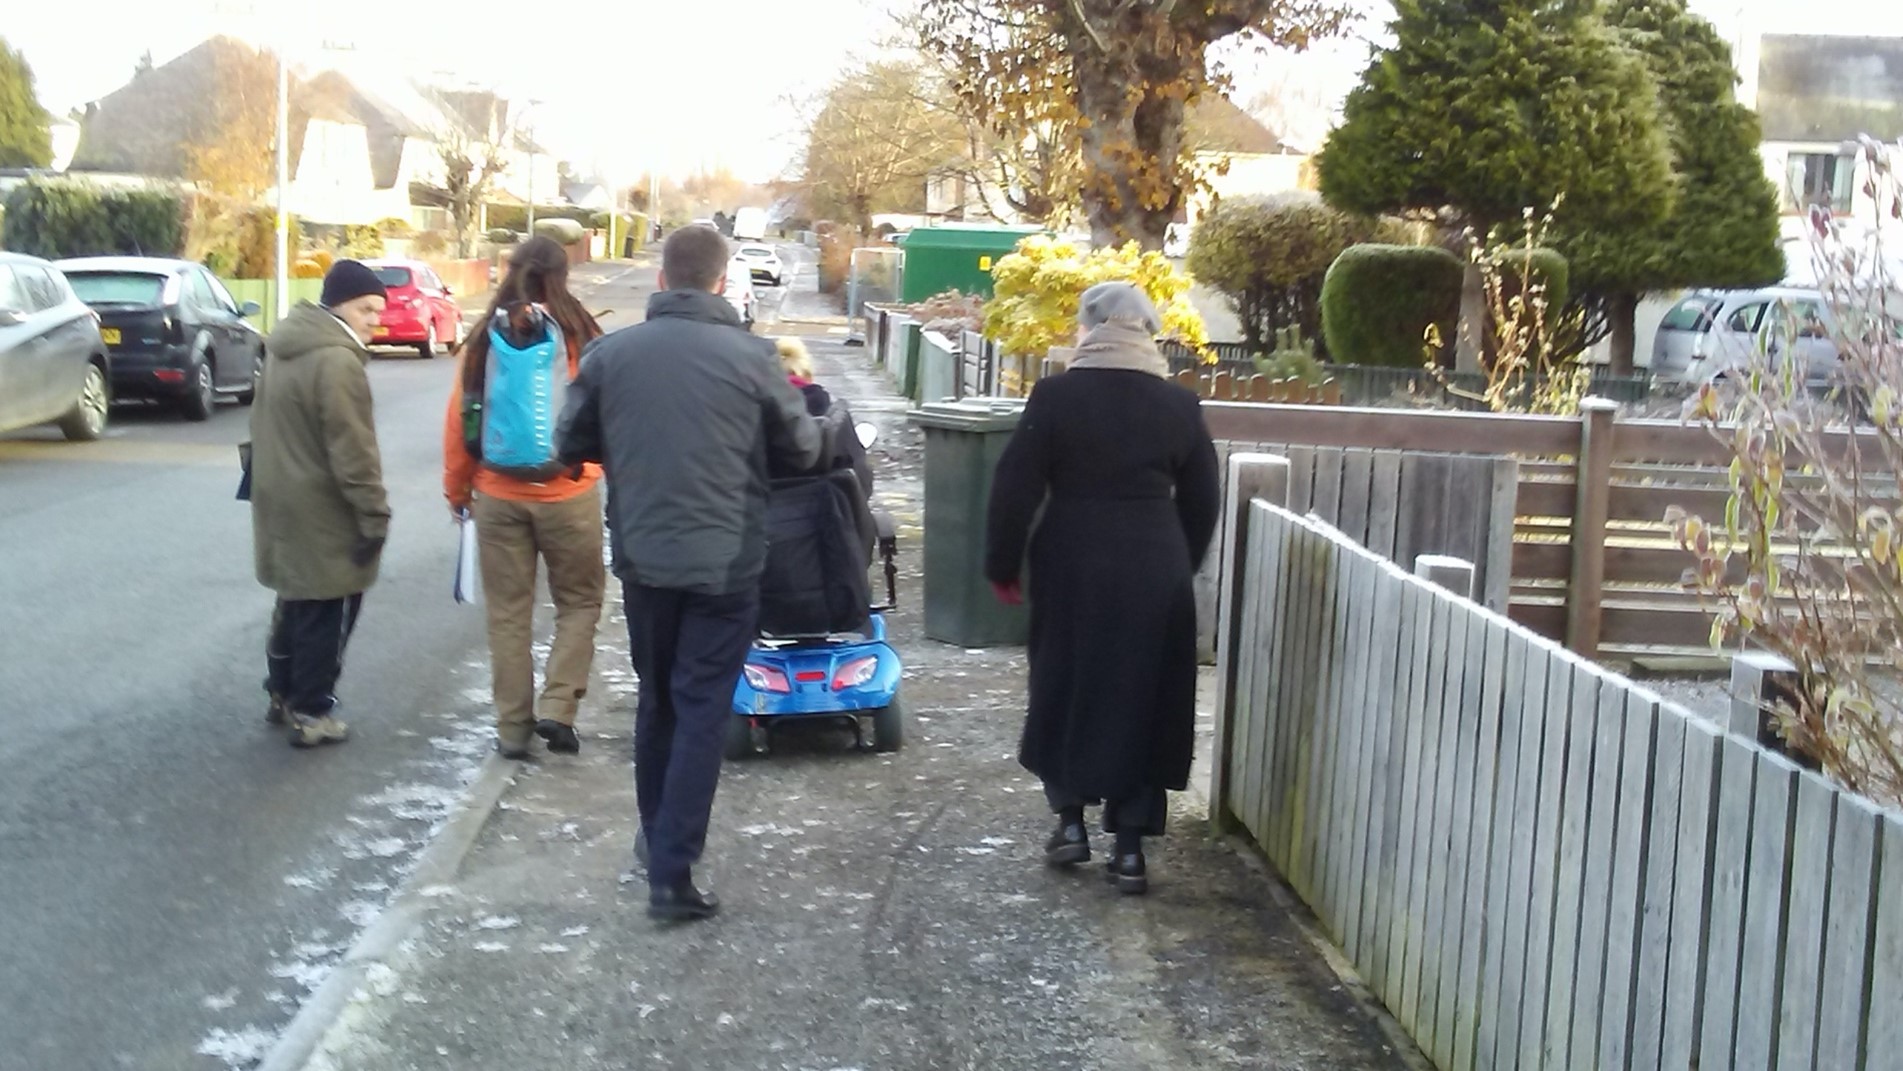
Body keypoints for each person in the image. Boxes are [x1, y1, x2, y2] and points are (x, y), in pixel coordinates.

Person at [557, 225, 823, 921]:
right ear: (719, 280)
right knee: (703, 703)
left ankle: (656, 836)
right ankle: (673, 868)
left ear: (660, 279)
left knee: (660, 699)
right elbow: (799, 449)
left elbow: (569, 445)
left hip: (645, 559)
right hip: (727, 562)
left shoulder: (611, 356)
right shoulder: (753, 358)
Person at [984, 281, 1221, 895]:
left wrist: (1002, 565)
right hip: (1155, 562)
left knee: (1066, 679)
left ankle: (1069, 824)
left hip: (1072, 560)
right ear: (1148, 331)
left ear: (1088, 329)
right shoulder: (1180, 406)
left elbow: (1015, 486)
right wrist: (1178, 566)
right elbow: (1203, 500)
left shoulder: (1057, 396)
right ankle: (1132, 849)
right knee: (1144, 692)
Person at [444, 236, 607, 760]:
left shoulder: (484, 339)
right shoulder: (583, 336)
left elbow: (460, 419)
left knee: (510, 614)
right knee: (579, 602)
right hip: (569, 494)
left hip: (497, 495)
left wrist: (458, 489)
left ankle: (513, 731)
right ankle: (558, 707)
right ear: (565, 273)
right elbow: (605, 414)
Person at [250, 260, 392, 748]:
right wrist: (374, 514)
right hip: (323, 504)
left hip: (280, 494)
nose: (375, 320)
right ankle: (313, 711)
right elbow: (354, 452)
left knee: (294, 599)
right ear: (339, 305)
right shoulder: (336, 361)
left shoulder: (284, 346)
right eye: (366, 309)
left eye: (378, 310)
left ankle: (281, 692)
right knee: (329, 608)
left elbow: (258, 423)